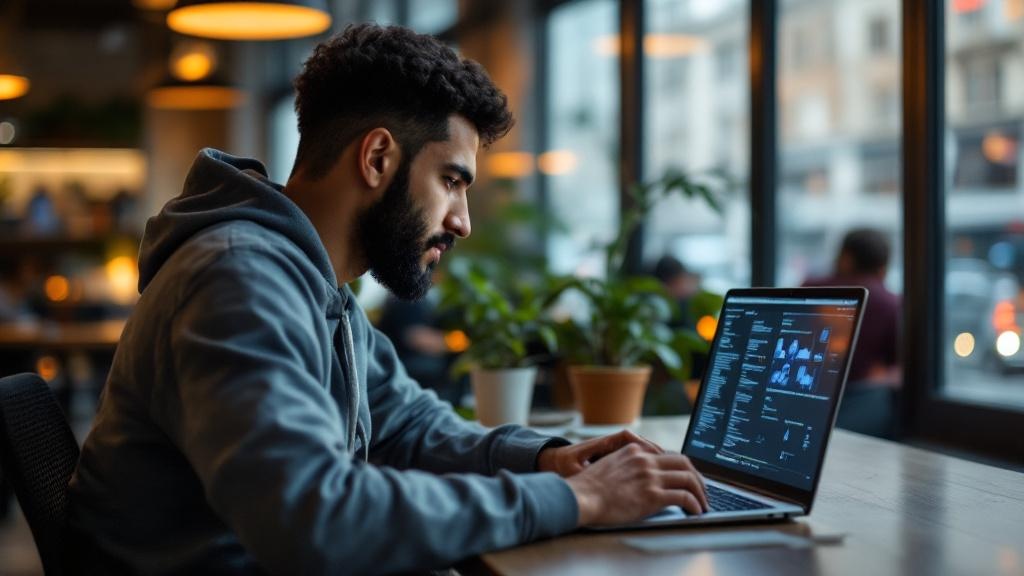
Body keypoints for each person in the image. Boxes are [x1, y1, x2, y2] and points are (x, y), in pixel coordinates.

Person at [66, 24, 708, 575]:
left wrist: (548, 459)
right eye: (452, 181)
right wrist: (579, 500)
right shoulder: (239, 278)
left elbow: (406, 423)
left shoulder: (313, 282)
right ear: (377, 157)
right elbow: (312, 519)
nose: (462, 221)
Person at [803, 227, 902, 437]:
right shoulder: (890, 302)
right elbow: (896, 365)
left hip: (802, 399)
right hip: (859, 409)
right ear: (882, 267)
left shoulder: (809, 289)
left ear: (845, 257)